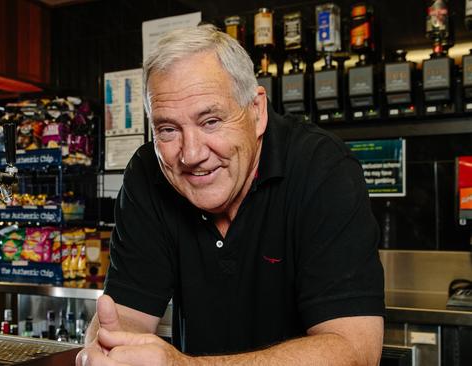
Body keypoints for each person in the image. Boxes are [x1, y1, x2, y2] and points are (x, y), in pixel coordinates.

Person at [77, 24, 385, 365]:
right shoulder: (147, 174)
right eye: (168, 129)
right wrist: (109, 351)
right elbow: (126, 316)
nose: (191, 154)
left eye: (210, 121)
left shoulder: (322, 168)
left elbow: (354, 351)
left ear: (256, 112)